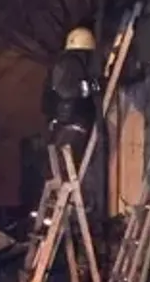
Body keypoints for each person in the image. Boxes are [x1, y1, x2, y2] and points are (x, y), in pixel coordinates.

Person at [40, 26, 103, 205]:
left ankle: (58, 204)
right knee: (70, 169)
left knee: (59, 170)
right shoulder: (74, 67)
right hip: (74, 123)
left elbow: (47, 101)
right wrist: (96, 87)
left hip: (59, 125)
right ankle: (69, 204)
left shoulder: (59, 66)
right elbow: (78, 92)